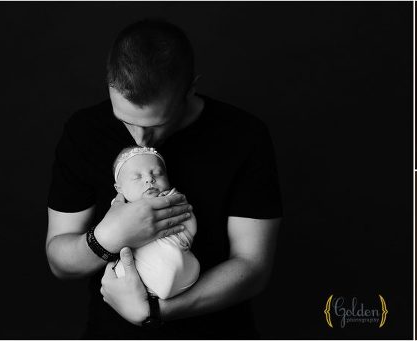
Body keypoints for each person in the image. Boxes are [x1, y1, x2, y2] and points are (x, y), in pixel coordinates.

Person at [46, 18, 282, 339]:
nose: (142, 140)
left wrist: (154, 312)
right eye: (127, 120)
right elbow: (60, 261)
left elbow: (253, 267)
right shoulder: (84, 132)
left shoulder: (244, 136)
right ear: (110, 84)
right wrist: (109, 237)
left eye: (157, 123)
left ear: (191, 88)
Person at [110, 146, 200, 300]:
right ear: (120, 189)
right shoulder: (119, 211)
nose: (149, 179)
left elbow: (189, 225)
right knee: (115, 269)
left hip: (181, 268)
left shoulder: (174, 200)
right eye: (137, 177)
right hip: (140, 277)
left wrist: (169, 203)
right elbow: (112, 238)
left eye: (157, 173)